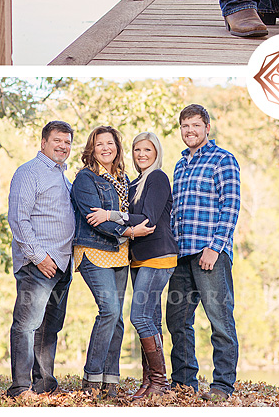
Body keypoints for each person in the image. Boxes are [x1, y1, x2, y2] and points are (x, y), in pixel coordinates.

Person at [70, 125, 155, 398]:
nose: (105, 148)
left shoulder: (123, 178)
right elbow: (96, 221)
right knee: (108, 310)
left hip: (120, 253)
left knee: (117, 318)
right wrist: (130, 230)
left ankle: (110, 382)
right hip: (93, 251)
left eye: (110, 143)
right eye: (99, 144)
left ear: (117, 147)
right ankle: (91, 381)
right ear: (91, 149)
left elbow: (121, 215)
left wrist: (120, 221)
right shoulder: (85, 179)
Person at [166, 104, 241, 401]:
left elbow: (231, 206)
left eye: (195, 125)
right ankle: (185, 382)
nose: (190, 131)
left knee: (220, 319)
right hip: (181, 255)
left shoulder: (223, 159)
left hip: (210, 253)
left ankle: (222, 385)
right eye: (185, 126)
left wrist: (214, 247)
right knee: (177, 319)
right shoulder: (179, 165)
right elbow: (175, 213)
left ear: (207, 128)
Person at [6, 121, 76, 398]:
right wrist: (38, 256)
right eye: (58, 140)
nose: (63, 146)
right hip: (38, 264)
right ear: (44, 142)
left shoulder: (62, 176)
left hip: (62, 264)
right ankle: (21, 387)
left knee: (50, 327)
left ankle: (44, 382)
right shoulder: (29, 172)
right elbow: (18, 219)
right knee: (26, 324)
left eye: (68, 142)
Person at [126, 131, 178, 399]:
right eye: (137, 150)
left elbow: (148, 219)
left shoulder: (158, 178)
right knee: (151, 319)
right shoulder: (135, 183)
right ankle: (149, 383)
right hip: (138, 258)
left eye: (147, 150)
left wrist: (112, 216)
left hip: (159, 255)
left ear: (156, 152)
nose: (142, 154)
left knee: (139, 317)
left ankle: (159, 382)